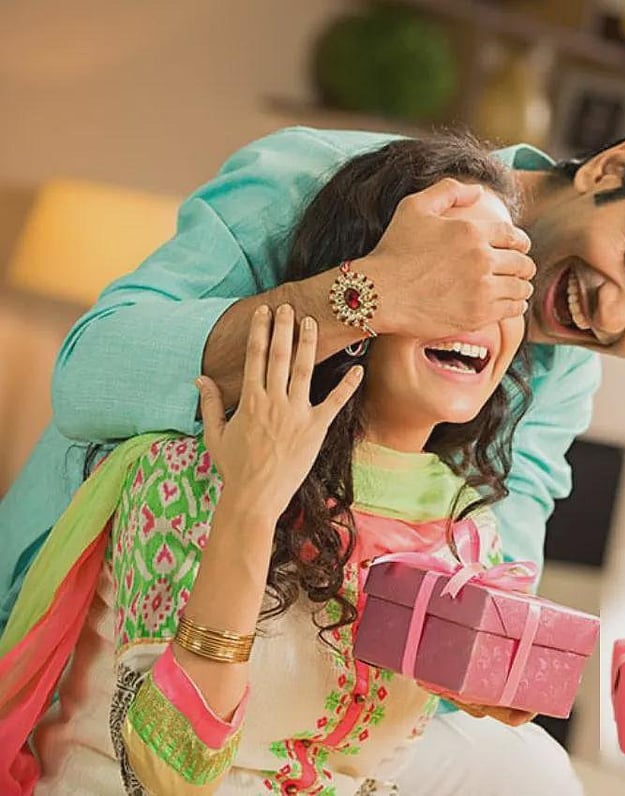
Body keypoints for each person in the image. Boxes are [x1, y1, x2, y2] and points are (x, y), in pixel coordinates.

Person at [0, 107, 625, 792]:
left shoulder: (561, 373)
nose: (613, 318)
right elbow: (93, 376)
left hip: (320, 699)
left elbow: (500, 572)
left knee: (531, 775)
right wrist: (374, 296)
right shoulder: (312, 178)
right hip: (126, 635)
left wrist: (487, 663)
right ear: (612, 167)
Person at [0, 137, 557, 795]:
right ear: (371, 286)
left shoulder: (470, 530)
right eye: (447, 272)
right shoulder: (186, 471)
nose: (474, 307)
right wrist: (252, 503)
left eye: (503, 280)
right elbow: (164, 776)